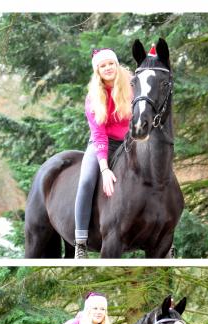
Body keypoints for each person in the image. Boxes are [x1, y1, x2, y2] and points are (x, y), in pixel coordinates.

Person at [74, 48, 133, 258]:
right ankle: (80, 241)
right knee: (87, 180)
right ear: (97, 71)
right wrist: (105, 168)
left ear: (116, 65)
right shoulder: (93, 98)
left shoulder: (133, 86)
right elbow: (98, 134)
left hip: (131, 141)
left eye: (111, 63)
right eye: (102, 65)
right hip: (103, 143)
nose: (108, 68)